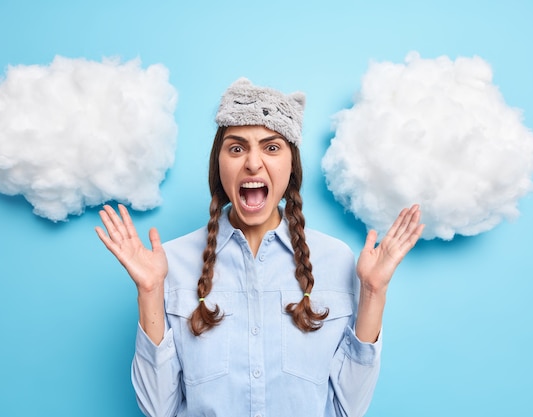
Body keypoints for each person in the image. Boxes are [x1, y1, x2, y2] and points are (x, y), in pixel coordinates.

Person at [95, 78, 424, 417]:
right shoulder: (170, 263)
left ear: (291, 165)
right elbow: (157, 409)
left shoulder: (336, 260)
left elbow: (348, 408)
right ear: (218, 165)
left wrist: (373, 291)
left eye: (271, 147)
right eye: (236, 148)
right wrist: (150, 290)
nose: (253, 163)